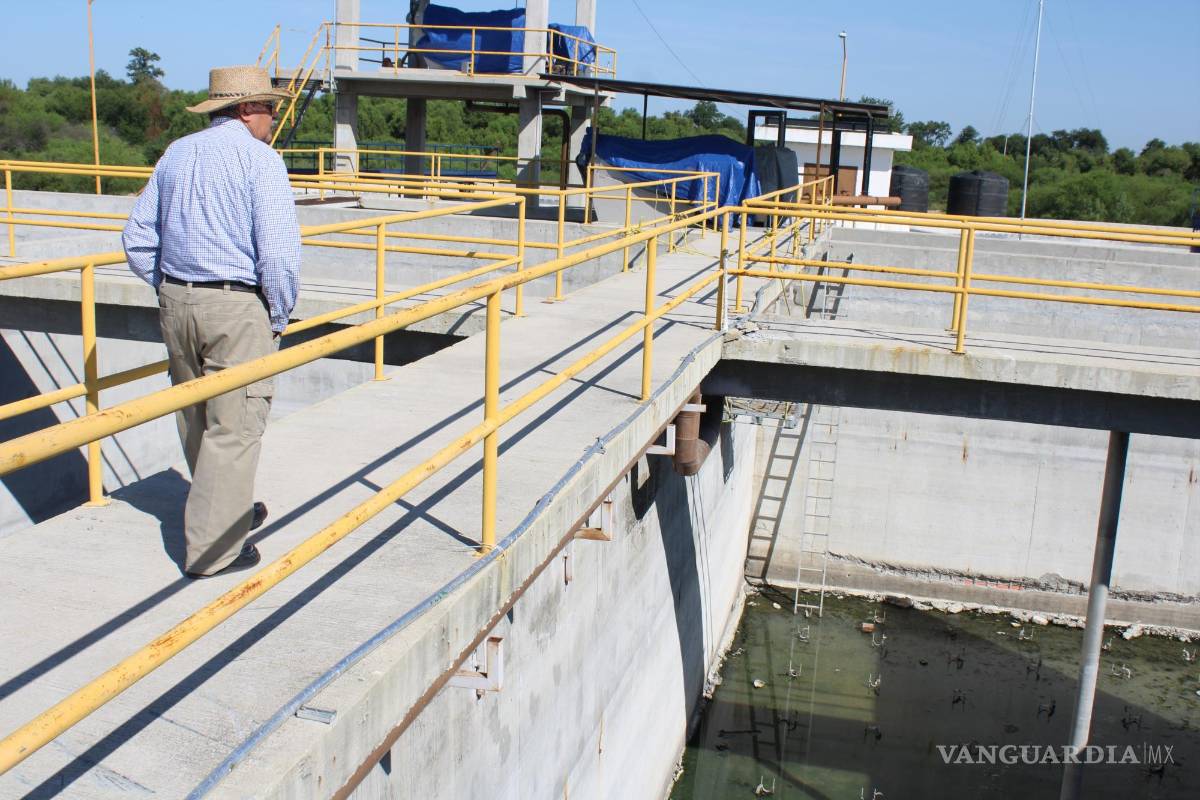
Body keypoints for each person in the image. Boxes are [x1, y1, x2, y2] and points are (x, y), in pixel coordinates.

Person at [122, 66, 301, 578]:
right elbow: (279, 255)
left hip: (176, 300)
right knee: (236, 424)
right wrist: (278, 315)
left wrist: (167, 287)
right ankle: (212, 552)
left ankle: (228, 513)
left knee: (196, 416)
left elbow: (137, 236)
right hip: (236, 304)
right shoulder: (261, 161)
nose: (272, 118)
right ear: (247, 110)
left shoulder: (177, 152)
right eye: (268, 108)